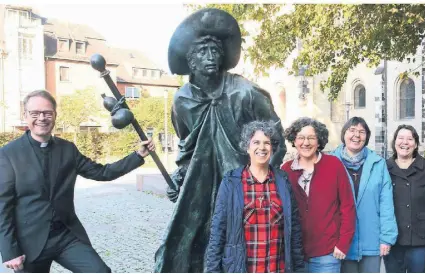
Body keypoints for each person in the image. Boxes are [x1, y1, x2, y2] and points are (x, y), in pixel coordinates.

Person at [154, 8, 286, 272]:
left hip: (241, 185)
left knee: (242, 248)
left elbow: (276, 139)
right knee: (188, 245)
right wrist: (179, 179)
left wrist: (262, 178)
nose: (211, 57)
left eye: (215, 51)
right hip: (201, 187)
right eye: (203, 53)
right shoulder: (183, 100)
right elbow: (186, 148)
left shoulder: (246, 92)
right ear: (191, 61)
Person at [0, 90, 155, 272]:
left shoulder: (67, 149)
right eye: (35, 113)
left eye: (47, 113)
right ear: (25, 116)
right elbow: (3, 206)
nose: (42, 118)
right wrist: (10, 251)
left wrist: (137, 156)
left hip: (66, 237)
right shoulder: (8, 154)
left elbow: (102, 173)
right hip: (30, 243)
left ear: (55, 116)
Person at [204, 121, 305, 273]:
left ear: (272, 148)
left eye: (267, 143)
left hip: (277, 268)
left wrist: (299, 269)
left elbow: (294, 229)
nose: (262, 147)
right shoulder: (231, 182)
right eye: (256, 142)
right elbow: (218, 230)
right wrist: (212, 270)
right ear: (247, 146)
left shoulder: (283, 181)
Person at [281, 117, 356, 273]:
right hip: (296, 253)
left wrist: (343, 244)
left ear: (319, 140)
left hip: (327, 254)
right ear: (294, 140)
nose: (305, 142)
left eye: (311, 138)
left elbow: (348, 207)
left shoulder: (334, 165)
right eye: (300, 137)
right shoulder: (286, 170)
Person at [328, 117, 397, 273]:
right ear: (344, 134)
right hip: (340, 242)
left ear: (367, 137)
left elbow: (386, 203)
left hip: (371, 240)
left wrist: (387, 238)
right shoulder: (331, 162)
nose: (356, 135)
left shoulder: (378, 164)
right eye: (352, 130)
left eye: (361, 132)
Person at [383, 125, 425, 273]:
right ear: (394, 142)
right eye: (401, 138)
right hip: (393, 241)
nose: (405, 142)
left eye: (410, 139)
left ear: (416, 144)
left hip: (421, 240)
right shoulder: (384, 167)